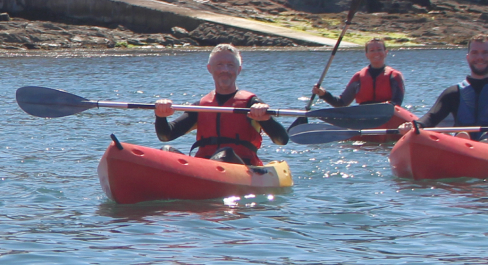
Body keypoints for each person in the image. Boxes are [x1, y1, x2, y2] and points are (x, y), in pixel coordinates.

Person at [153, 44, 289, 166]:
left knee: (226, 153)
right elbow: (166, 136)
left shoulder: (252, 104)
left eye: (230, 65)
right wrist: (160, 116)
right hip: (205, 167)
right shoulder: (201, 106)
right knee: (166, 151)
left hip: (241, 168)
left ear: (239, 69)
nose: (225, 70)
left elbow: (281, 140)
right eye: (219, 65)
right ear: (210, 69)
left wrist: (266, 119)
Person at [403, 35, 488, 140]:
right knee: (462, 135)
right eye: (475, 53)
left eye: (485, 52)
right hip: (463, 144)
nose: (480, 57)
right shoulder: (454, 92)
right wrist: (415, 125)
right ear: (468, 57)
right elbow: (431, 117)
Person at [314, 38, 404, 107]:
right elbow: (342, 103)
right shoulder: (359, 77)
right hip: (364, 115)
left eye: (379, 49)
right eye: (372, 50)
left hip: (387, 114)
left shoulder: (394, 76)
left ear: (385, 53)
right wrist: (324, 94)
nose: (376, 53)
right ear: (367, 55)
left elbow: (397, 103)